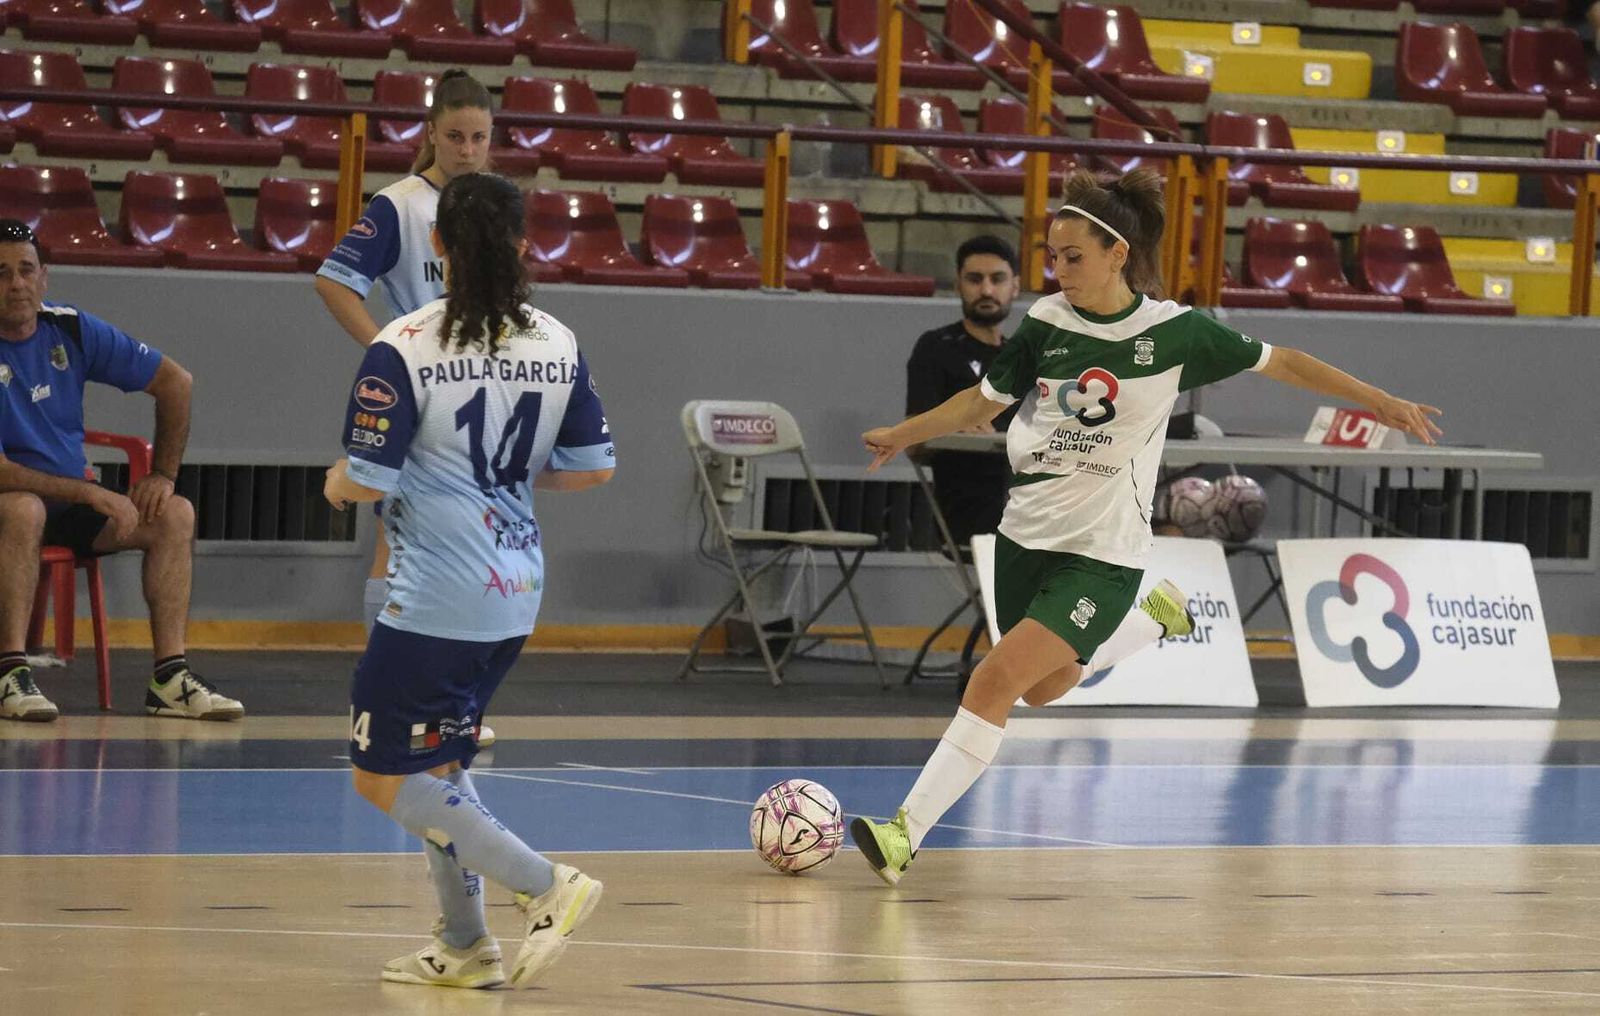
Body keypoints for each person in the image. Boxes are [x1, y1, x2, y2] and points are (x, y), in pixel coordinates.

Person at [849, 169, 1443, 885]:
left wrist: (1380, 401)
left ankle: (903, 832)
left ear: (1116, 254)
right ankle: (1153, 625)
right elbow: (980, 405)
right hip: (1024, 534)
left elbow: (1282, 361)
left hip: (1103, 550)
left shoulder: (1172, 332)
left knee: (995, 679)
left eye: (1072, 256)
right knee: (1042, 687)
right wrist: (901, 434)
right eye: (1052, 255)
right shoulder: (1044, 325)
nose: (1057, 269)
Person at [324, 173, 615, 989]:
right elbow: (591, 470)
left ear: (438, 247)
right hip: (516, 587)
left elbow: (371, 481)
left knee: (381, 775)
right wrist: (507, 484)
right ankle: (464, 944)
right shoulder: (558, 341)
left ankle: (546, 883)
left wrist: (336, 483)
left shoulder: (405, 343)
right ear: (525, 247)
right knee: (440, 769)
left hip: (437, 596)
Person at [315, 68, 500, 745]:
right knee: (399, 545)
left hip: (482, 393)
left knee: (473, 545)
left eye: (479, 137)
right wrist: (389, 349)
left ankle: (448, 703)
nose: (467, 148)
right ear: (431, 134)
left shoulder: (493, 207)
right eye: (455, 135)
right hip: (418, 398)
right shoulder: (400, 205)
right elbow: (334, 283)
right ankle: (387, 700)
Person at [0, 220, 243, 722]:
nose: (16, 284)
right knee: (22, 510)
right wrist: (90, 493)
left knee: (173, 514)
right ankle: (9, 672)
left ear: (45, 278)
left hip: (67, 505)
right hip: (13, 503)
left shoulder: (68, 327)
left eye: (26, 270)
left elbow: (176, 382)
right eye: (1, 273)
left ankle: (170, 678)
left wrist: (163, 474)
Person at [905, 235, 1021, 550]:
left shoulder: (1022, 359)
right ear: (958, 285)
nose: (986, 290)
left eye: (997, 279)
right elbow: (913, 443)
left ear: (1015, 286)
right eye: (974, 279)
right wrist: (952, 427)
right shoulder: (935, 348)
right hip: (966, 504)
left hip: (1029, 502)